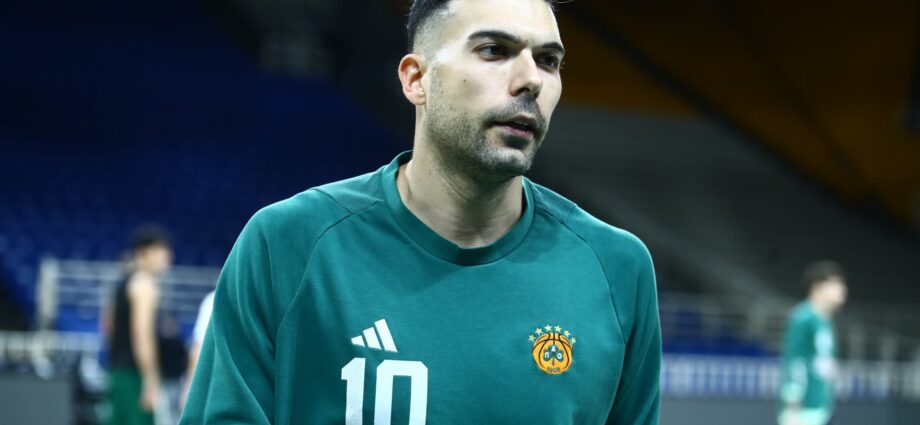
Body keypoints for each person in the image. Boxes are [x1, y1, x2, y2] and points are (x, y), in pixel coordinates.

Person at [180, 0, 661, 423]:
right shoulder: (287, 245)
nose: (530, 80)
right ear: (416, 79)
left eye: (548, 60)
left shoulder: (617, 269)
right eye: (494, 50)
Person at [104, 227, 173, 425]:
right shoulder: (145, 285)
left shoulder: (123, 282)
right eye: (161, 250)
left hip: (117, 373)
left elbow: (108, 325)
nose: (168, 257)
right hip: (135, 376)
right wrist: (151, 379)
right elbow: (142, 335)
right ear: (144, 252)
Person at [779, 261, 848, 425]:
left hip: (821, 406)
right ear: (817, 286)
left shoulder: (824, 321)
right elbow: (795, 360)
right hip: (804, 411)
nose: (843, 289)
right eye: (836, 283)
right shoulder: (803, 318)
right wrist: (792, 407)